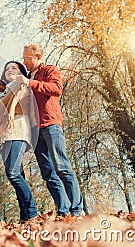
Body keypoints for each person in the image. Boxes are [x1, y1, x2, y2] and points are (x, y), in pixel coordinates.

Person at [15, 43, 84, 219]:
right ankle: (63, 210)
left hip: (51, 125)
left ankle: (77, 210)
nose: (25, 62)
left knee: (62, 166)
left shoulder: (50, 70)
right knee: (48, 173)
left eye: (27, 58)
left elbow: (56, 89)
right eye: (23, 58)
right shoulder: (27, 77)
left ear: (38, 57)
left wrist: (30, 83)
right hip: (35, 131)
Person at [0, 61, 39, 222]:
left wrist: (9, 112)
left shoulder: (21, 86)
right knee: (18, 174)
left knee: (12, 173)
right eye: (6, 68)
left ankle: (32, 213)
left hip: (18, 131)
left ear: (21, 72)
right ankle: (24, 216)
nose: (9, 70)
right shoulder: (3, 92)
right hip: (5, 137)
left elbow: (15, 101)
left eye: (14, 68)